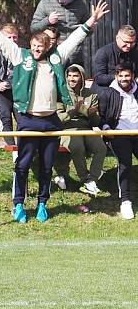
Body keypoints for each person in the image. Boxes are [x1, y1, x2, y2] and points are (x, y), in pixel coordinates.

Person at [0, 0, 109, 222]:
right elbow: (0, 42)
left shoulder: (56, 58)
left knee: (47, 166)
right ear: (31, 45)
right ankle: (17, 205)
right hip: (28, 121)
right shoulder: (20, 56)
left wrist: (92, 19)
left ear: (47, 47)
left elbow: (76, 39)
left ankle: (42, 204)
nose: (37, 50)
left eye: (40, 47)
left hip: (51, 121)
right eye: (34, 46)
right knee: (23, 165)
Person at [53, 63, 106, 206]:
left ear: (81, 77)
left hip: (86, 128)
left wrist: (92, 114)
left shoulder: (91, 94)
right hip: (67, 129)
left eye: (75, 76)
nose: (72, 79)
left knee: (101, 148)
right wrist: (74, 111)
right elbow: (58, 119)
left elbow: (96, 121)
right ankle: (84, 178)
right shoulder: (61, 94)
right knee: (77, 146)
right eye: (69, 76)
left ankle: (92, 179)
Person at [96, 62, 138, 220]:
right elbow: (101, 116)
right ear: (116, 77)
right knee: (125, 164)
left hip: (137, 133)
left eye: (127, 75)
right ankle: (126, 201)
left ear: (132, 76)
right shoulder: (108, 93)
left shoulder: (137, 91)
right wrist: (107, 129)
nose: (124, 79)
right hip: (119, 134)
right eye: (121, 76)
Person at [31, 0, 89, 67]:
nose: (64, 1)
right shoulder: (45, 3)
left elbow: (87, 30)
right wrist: (47, 21)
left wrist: (90, 28)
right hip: (51, 54)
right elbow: (33, 28)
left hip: (74, 55)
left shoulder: (81, 6)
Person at [93, 25, 138, 90]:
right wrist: (121, 78)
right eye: (126, 42)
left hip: (129, 91)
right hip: (106, 91)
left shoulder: (134, 53)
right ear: (117, 38)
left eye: (132, 42)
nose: (129, 45)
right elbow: (99, 78)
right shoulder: (103, 52)